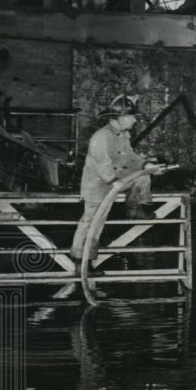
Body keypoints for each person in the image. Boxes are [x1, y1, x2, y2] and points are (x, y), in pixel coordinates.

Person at [71, 94, 163, 267]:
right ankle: (81, 261)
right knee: (92, 223)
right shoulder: (102, 136)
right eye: (132, 117)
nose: (135, 121)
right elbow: (102, 161)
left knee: (143, 176)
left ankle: (135, 208)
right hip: (98, 185)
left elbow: (130, 157)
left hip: (115, 181)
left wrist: (146, 164)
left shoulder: (122, 135)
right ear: (121, 117)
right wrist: (114, 181)